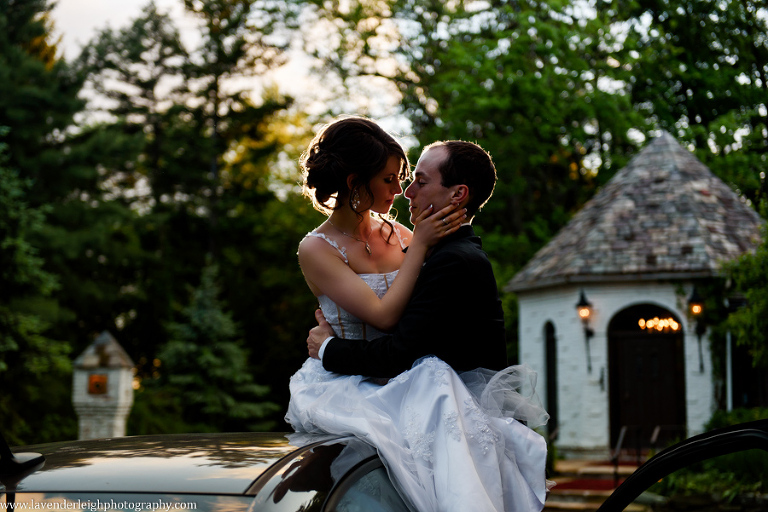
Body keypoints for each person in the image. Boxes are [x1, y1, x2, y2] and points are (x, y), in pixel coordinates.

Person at [286, 117, 549, 512]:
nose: (400, 189)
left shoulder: (406, 236)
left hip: (399, 372)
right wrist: (330, 350)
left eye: (407, 178)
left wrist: (420, 242)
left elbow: (416, 324)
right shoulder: (317, 248)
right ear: (357, 181)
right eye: (390, 179)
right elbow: (383, 316)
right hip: (350, 380)